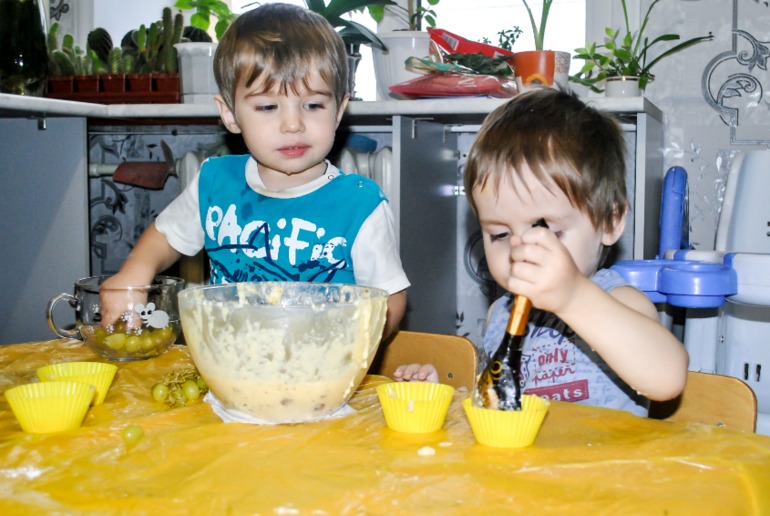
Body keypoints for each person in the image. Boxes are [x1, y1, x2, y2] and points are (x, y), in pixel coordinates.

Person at [102, 3, 409, 338]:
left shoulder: (360, 205)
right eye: (267, 106)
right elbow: (164, 237)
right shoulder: (214, 183)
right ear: (230, 114)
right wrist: (134, 273)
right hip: (232, 367)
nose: (293, 124)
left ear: (338, 111)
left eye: (313, 105)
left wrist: (348, 349)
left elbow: (390, 299)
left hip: (325, 376)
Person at [395, 89, 687, 416]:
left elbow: (668, 378)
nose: (521, 250)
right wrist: (445, 400)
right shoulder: (499, 315)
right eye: (500, 234)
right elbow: (495, 405)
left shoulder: (618, 301)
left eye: (547, 231)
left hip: (601, 466)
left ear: (610, 221)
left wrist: (574, 296)